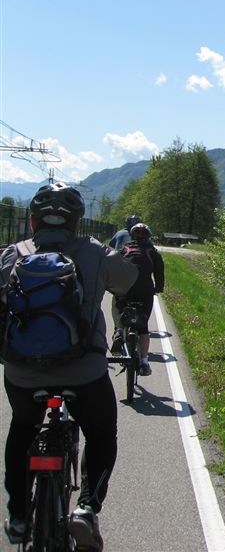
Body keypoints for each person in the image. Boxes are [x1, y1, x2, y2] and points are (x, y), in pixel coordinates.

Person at [1, 182, 137, 550]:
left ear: (32, 222)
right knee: (102, 432)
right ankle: (87, 509)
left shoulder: (13, 254)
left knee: (23, 428)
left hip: (23, 374)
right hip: (84, 373)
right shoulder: (94, 251)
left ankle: (18, 516)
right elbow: (128, 281)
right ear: (77, 222)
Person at [113, 222, 164, 376]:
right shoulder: (152, 251)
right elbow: (159, 271)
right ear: (148, 236)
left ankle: (119, 331)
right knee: (143, 327)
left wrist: (114, 286)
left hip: (125, 290)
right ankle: (145, 362)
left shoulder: (125, 249)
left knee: (118, 307)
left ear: (132, 235)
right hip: (145, 292)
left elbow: (115, 267)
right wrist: (158, 288)